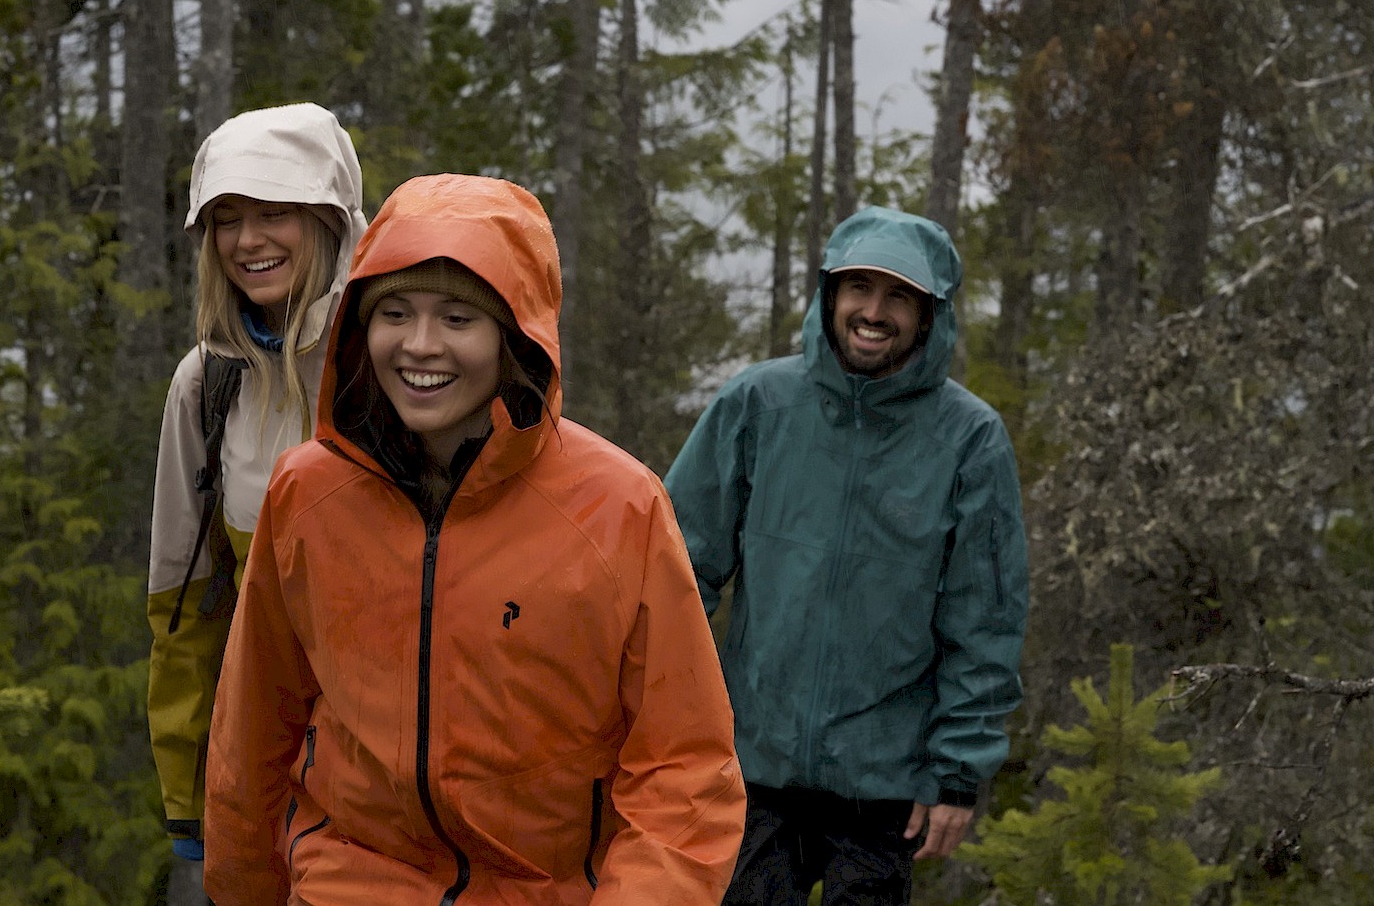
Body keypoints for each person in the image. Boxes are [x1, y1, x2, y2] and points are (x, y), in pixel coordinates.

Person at [203, 174, 745, 906]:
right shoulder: (307, 494)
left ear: (512, 335)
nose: (420, 345)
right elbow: (255, 729)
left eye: (458, 317)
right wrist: (242, 890)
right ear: (362, 327)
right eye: (395, 311)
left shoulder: (618, 507)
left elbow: (682, 767)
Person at [664, 205, 1029, 906]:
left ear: (931, 315)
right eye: (858, 286)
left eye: (899, 295)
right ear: (829, 294)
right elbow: (676, 574)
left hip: (886, 782)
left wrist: (957, 773)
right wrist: (659, 726)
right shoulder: (757, 404)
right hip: (752, 768)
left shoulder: (970, 440)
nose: (873, 310)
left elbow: (985, 622)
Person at [146, 102, 366, 901]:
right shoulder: (206, 384)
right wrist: (188, 808)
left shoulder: (399, 365)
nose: (247, 240)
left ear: (331, 220)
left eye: (275, 212)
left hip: (397, 792)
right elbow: (182, 614)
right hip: (263, 777)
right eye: (228, 219)